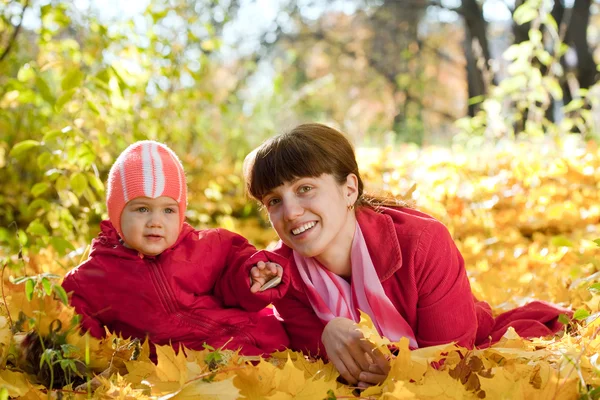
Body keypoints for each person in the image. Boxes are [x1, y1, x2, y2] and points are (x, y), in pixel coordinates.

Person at [244, 123, 571, 387]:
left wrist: (398, 374)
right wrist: (325, 333)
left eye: (305, 188)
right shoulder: (281, 271)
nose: (290, 212)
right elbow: (310, 355)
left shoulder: (422, 242)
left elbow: (451, 355)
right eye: (274, 200)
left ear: (349, 190)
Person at [62, 140, 289, 356]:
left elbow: (233, 270)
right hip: (180, 367)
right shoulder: (95, 278)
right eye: (142, 209)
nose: (155, 221)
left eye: (168, 210)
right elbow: (77, 327)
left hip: (250, 337)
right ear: (117, 214)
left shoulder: (205, 247)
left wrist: (251, 276)